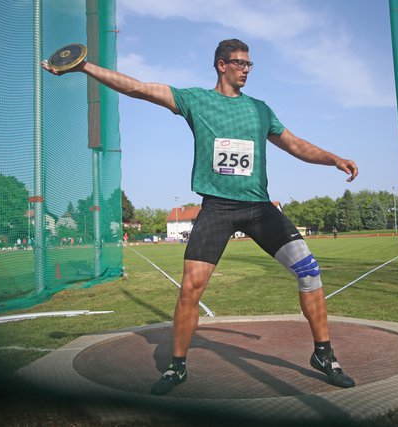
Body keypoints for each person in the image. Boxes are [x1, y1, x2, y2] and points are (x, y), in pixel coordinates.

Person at [42, 39, 359, 395]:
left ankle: (324, 354)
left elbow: (296, 144)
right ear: (221, 65)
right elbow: (139, 89)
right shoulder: (196, 100)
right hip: (218, 208)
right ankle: (177, 367)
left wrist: (333, 158)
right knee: (191, 288)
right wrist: (86, 67)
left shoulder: (260, 110)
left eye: (250, 64)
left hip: (258, 207)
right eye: (240, 63)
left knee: (309, 270)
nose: (246, 69)